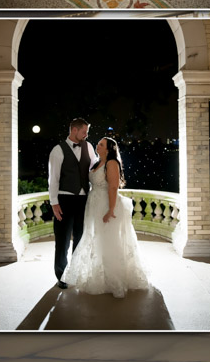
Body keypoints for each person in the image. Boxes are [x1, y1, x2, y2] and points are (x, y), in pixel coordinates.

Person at [60, 136, 150, 297]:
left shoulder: (111, 163)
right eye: (98, 143)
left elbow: (114, 187)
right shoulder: (97, 162)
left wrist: (111, 210)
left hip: (105, 204)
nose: (98, 145)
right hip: (93, 203)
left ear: (108, 149)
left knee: (107, 239)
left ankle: (113, 279)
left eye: (101, 144)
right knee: (96, 237)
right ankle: (98, 274)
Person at [48, 118, 95, 289]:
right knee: (63, 240)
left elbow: (94, 168)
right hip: (64, 200)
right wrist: (54, 203)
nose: (86, 135)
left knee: (80, 238)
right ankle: (61, 275)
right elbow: (53, 179)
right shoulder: (57, 150)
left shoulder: (88, 147)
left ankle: (75, 272)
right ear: (74, 130)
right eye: (84, 131)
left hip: (84, 199)